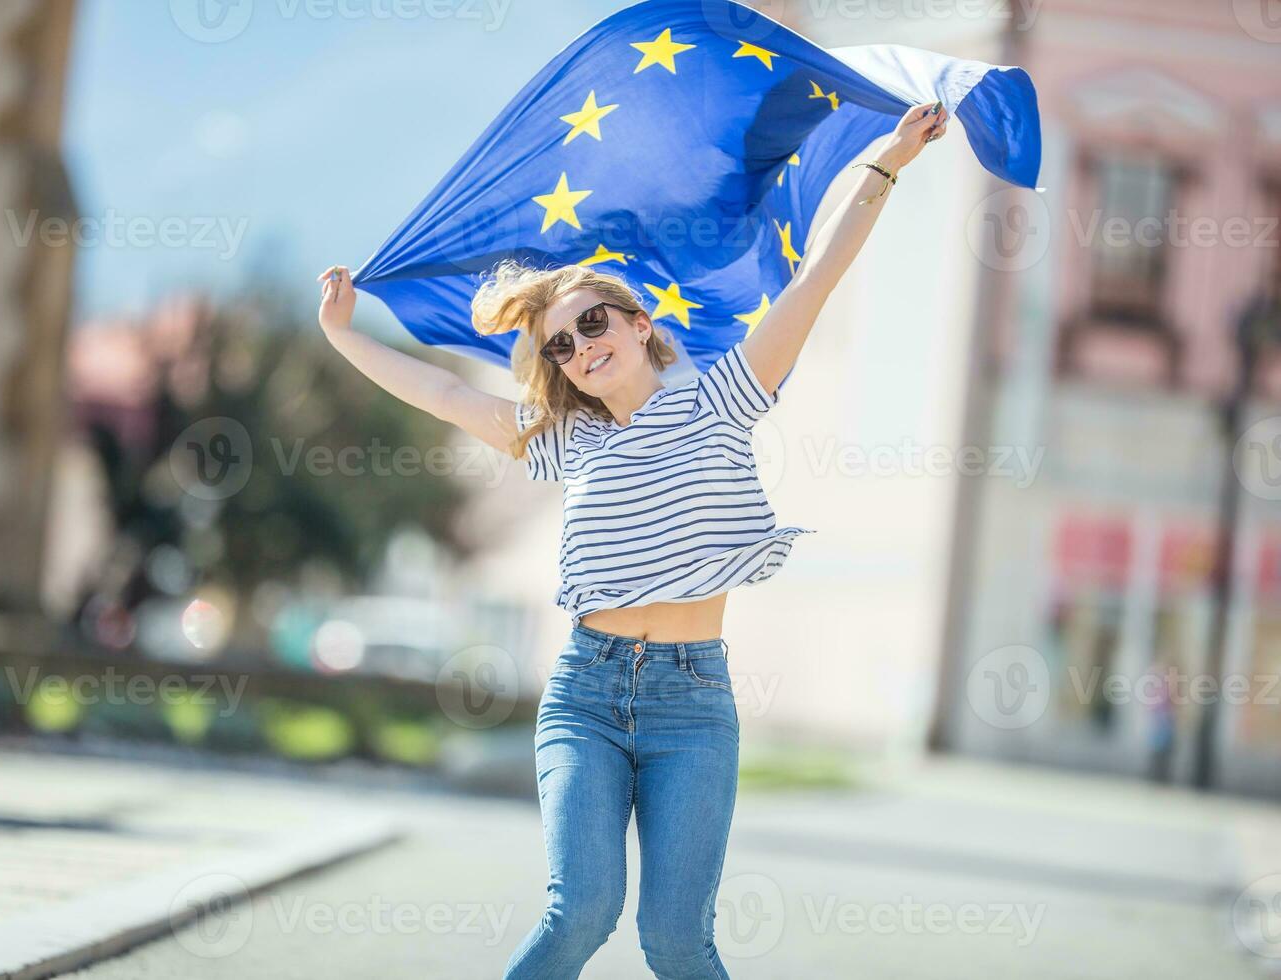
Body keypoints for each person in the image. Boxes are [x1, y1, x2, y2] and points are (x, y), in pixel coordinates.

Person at [318, 100, 948, 979]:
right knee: (580, 911)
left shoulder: (725, 394)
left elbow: (816, 279)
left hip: (693, 708)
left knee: (676, 941)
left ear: (639, 323)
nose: (580, 347)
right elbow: (442, 396)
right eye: (563, 345)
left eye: (592, 325)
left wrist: (887, 160)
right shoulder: (565, 441)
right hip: (585, 694)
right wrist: (341, 337)